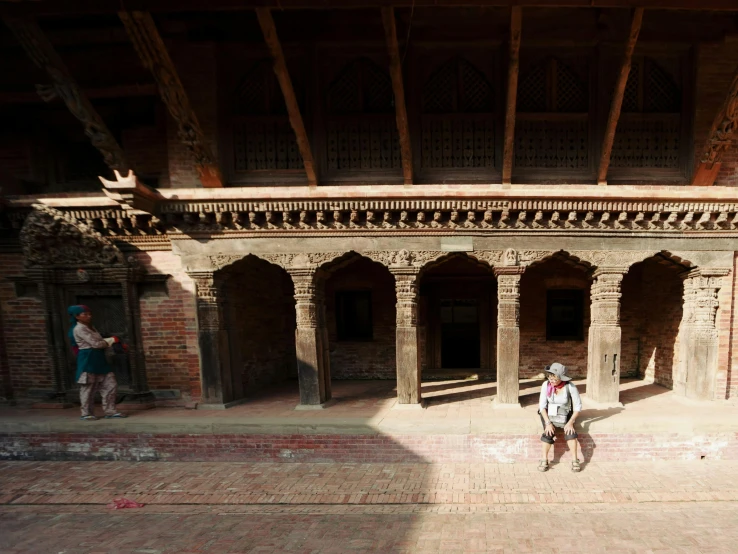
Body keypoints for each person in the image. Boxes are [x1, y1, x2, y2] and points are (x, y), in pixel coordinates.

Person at [68, 305, 127, 421]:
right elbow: (96, 344)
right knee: (88, 388)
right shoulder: (79, 329)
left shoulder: (91, 327)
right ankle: (86, 413)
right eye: (85, 314)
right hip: (88, 360)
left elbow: (99, 342)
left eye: (89, 314)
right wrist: (111, 340)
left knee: (110, 384)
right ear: (77, 316)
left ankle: (110, 411)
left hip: (99, 359)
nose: (89, 316)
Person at [538, 362, 581, 472]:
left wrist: (571, 422)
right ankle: (544, 460)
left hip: (565, 413)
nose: (551, 381)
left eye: (555, 379)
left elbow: (577, 407)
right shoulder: (545, 385)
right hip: (549, 414)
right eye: (550, 377)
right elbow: (542, 406)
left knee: (570, 433)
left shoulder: (570, 386)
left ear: (562, 378)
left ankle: (575, 460)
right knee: (548, 433)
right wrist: (548, 423)